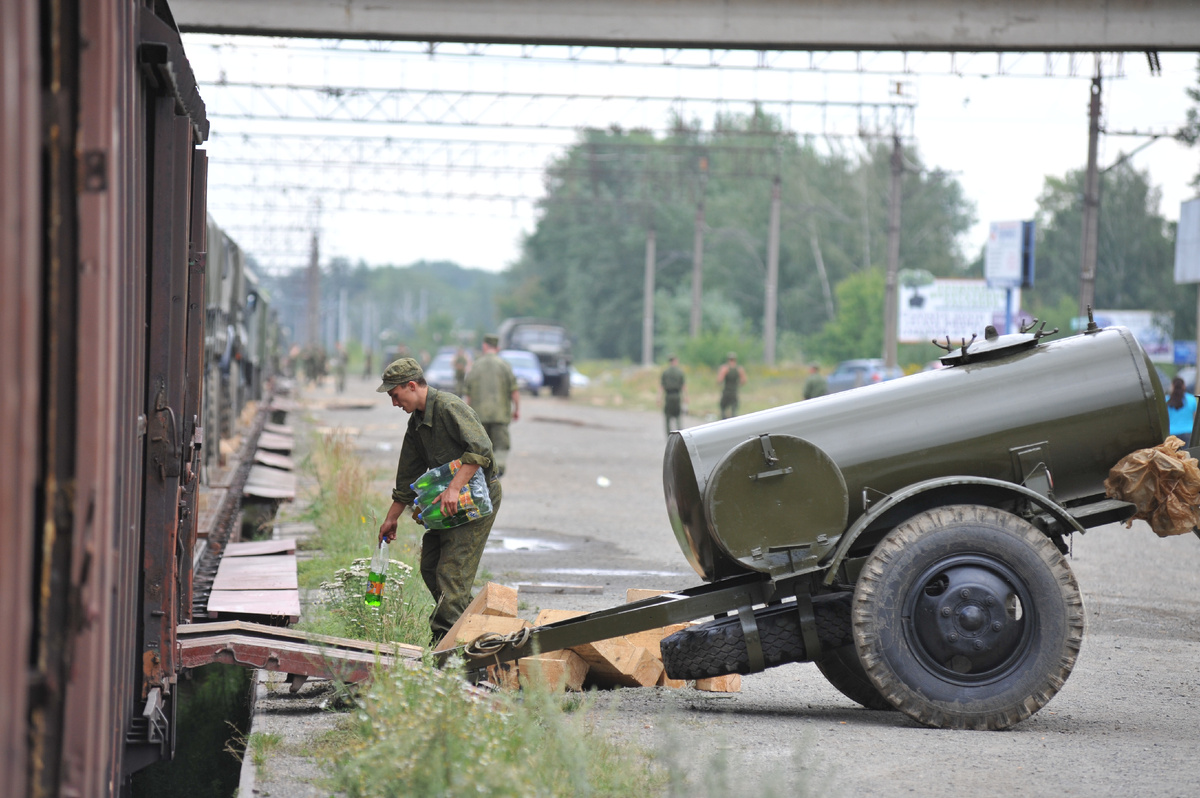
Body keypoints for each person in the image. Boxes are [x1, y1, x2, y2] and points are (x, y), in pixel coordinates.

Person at [375, 357, 502, 644]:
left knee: (451, 573)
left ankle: (446, 647)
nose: (394, 403)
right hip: (452, 500)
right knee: (431, 564)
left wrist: (454, 488)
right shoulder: (416, 423)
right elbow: (406, 476)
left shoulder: (449, 407)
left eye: (395, 395)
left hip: (479, 497)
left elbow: (481, 450)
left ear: (410, 386)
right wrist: (391, 518)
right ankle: (477, 630)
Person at [464, 334, 519, 477]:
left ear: (484, 346)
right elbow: (514, 392)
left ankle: (483, 476)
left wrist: (465, 416)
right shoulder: (505, 366)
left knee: (481, 449)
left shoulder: (475, 366)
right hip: (500, 416)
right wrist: (516, 409)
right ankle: (498, 469)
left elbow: (467, 395)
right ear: (498, 348)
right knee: (500, 447)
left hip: (478, 417)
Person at [659, 355, 687, 435]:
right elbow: (683, 386)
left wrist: (659, 398)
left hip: (668, 396)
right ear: (675, 361)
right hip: (677, 396)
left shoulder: (665, 372)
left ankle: (669, 436)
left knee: (667, 417)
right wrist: (686, 396)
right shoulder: (679, 372)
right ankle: (680, 435)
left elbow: (662, 386)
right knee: (678, 416)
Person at [716, 351, 747, 419]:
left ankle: (724, 421)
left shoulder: (725, 368)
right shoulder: (739, 369)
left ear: (728, 359)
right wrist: (737, 384)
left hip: (726, 392)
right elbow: (744, 380)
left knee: (723, 408)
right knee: (734, 410)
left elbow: (720, 380)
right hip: (734, 392)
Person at [1166, 376, 1197, 442]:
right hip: (1188, 432)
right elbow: (1195, 417)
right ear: (1184, 386)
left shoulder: (1166, 400)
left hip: (1172, 434)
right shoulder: (1191, 399)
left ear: (1172, 386)